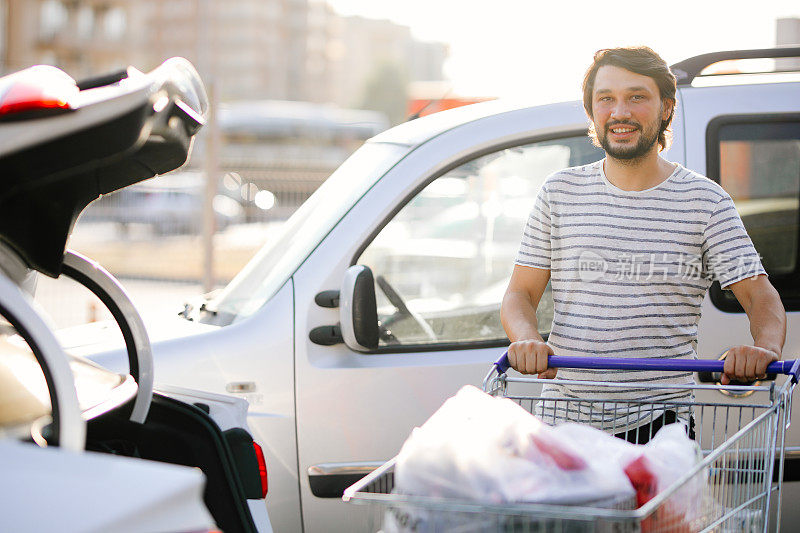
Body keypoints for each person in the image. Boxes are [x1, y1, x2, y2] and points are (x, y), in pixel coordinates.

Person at [500, 46, 786, 443]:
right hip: (560, 426)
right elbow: (519, 294)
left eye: (637, 97)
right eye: (606, 99)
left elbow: (761, 297)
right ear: (592, 112)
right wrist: (527, 338)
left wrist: (765, 349)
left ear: (666, 108)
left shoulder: (705, 201)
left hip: (660, 431)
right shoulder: (559, 192)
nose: (620, 112)